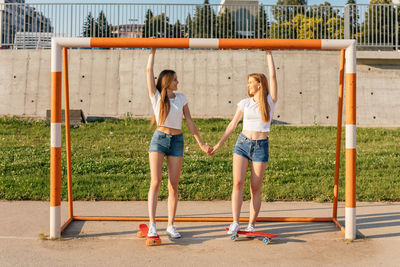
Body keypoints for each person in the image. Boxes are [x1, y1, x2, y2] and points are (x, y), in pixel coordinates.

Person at [210, 50, 278, 235]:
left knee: (255, 187)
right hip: (242, 143)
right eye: (248, 82)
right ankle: (235, 222)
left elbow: (272, 75)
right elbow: (232, 124)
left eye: (251, 82)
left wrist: (268, 53)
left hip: (260, 147)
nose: (248, 85)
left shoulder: (270, 102)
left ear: (259, 85)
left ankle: (251, 224)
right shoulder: (244, 103)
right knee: (238, 183)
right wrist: (218, 144)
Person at [146, 48, 211, 239]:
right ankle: (152, 225)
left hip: (177, 141)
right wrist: (152, 51)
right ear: (167, 81)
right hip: (159, 139)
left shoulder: (181, 98)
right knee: (155, 182)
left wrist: (200, 143)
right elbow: (149, 72)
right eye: (175, 79)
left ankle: (171, 225)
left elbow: (189, 121)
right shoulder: (156, 96)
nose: (178, 82)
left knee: (173, 185)